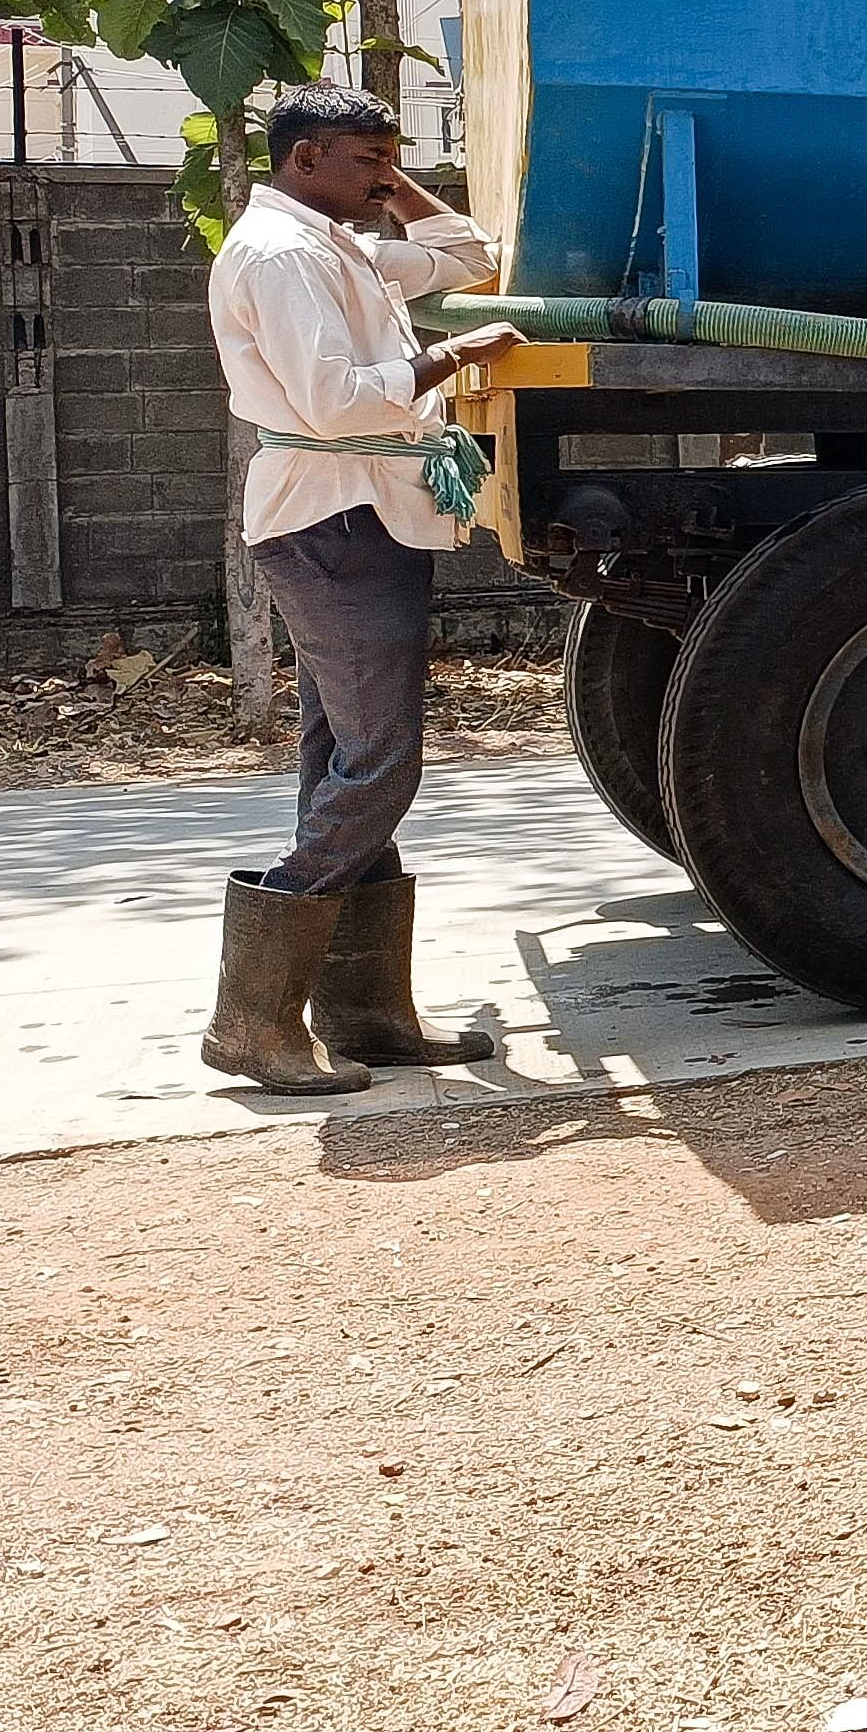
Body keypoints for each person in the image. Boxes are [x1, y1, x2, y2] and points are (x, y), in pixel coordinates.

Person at [202, 85, 526, 1094]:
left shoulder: (335, 241)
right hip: (336, 516)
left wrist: (391, 181)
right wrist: (452, 353)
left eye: (390, 157)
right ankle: (251, 1022)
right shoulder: (287, 255)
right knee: (381, 763)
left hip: (359, 516)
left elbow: (468, 255)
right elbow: (337, 404)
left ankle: (367, 1017)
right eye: (362, 160)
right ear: (301, 159)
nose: (384, 177)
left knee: (342, 758)